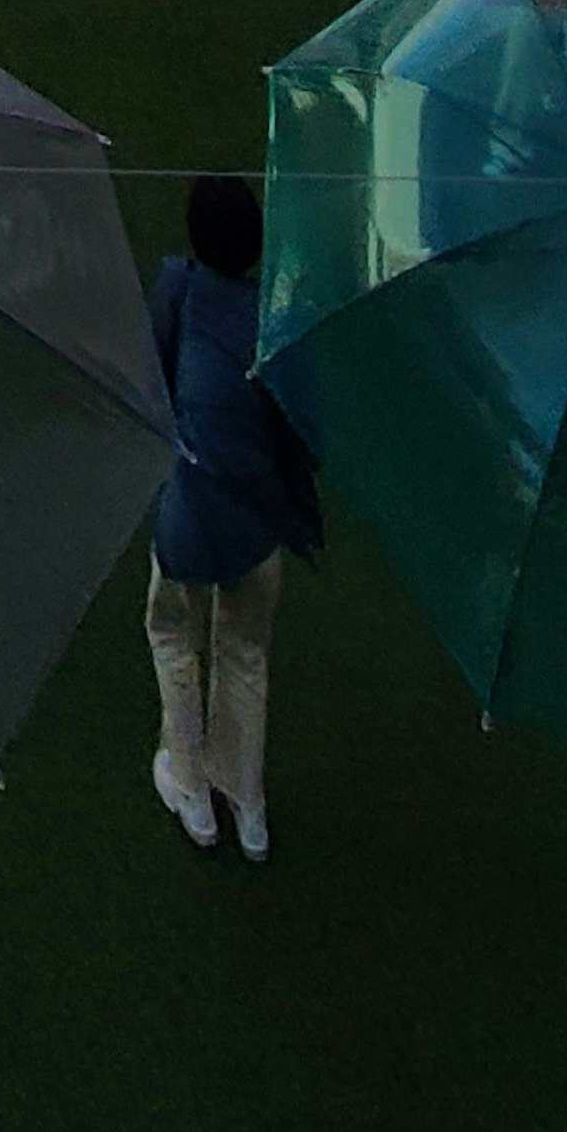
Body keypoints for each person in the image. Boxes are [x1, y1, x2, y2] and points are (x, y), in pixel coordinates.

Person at [145, 171, 320, 861]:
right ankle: (246, 803)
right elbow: (301, 427)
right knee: (245, 651)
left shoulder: (180, 295)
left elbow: (152, 380)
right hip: (257, 521)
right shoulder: (277, 315)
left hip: (190, 512)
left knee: (170, 632)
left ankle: (192, 790)